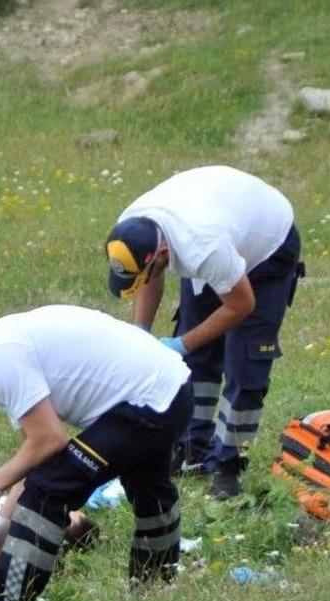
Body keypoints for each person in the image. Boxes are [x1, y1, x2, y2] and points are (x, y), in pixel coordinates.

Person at [0, 305, 193, 601]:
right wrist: (4, 522)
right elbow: (37, 451)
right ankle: (154, 588)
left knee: (46, 492)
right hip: (168, 386)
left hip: (148, 399)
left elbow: (50, 440)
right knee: (148, 486)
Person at [105, 165, 303, 499]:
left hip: (267, 250)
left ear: (163, 254)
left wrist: (180, 344)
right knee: (195, 361)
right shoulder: (132, 228)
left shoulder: (202, 247)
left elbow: (241, 305)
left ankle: (229, 466)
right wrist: (140, 333)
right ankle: (190, 449)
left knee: (246, 365)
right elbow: (150, 277)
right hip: (220, 225)